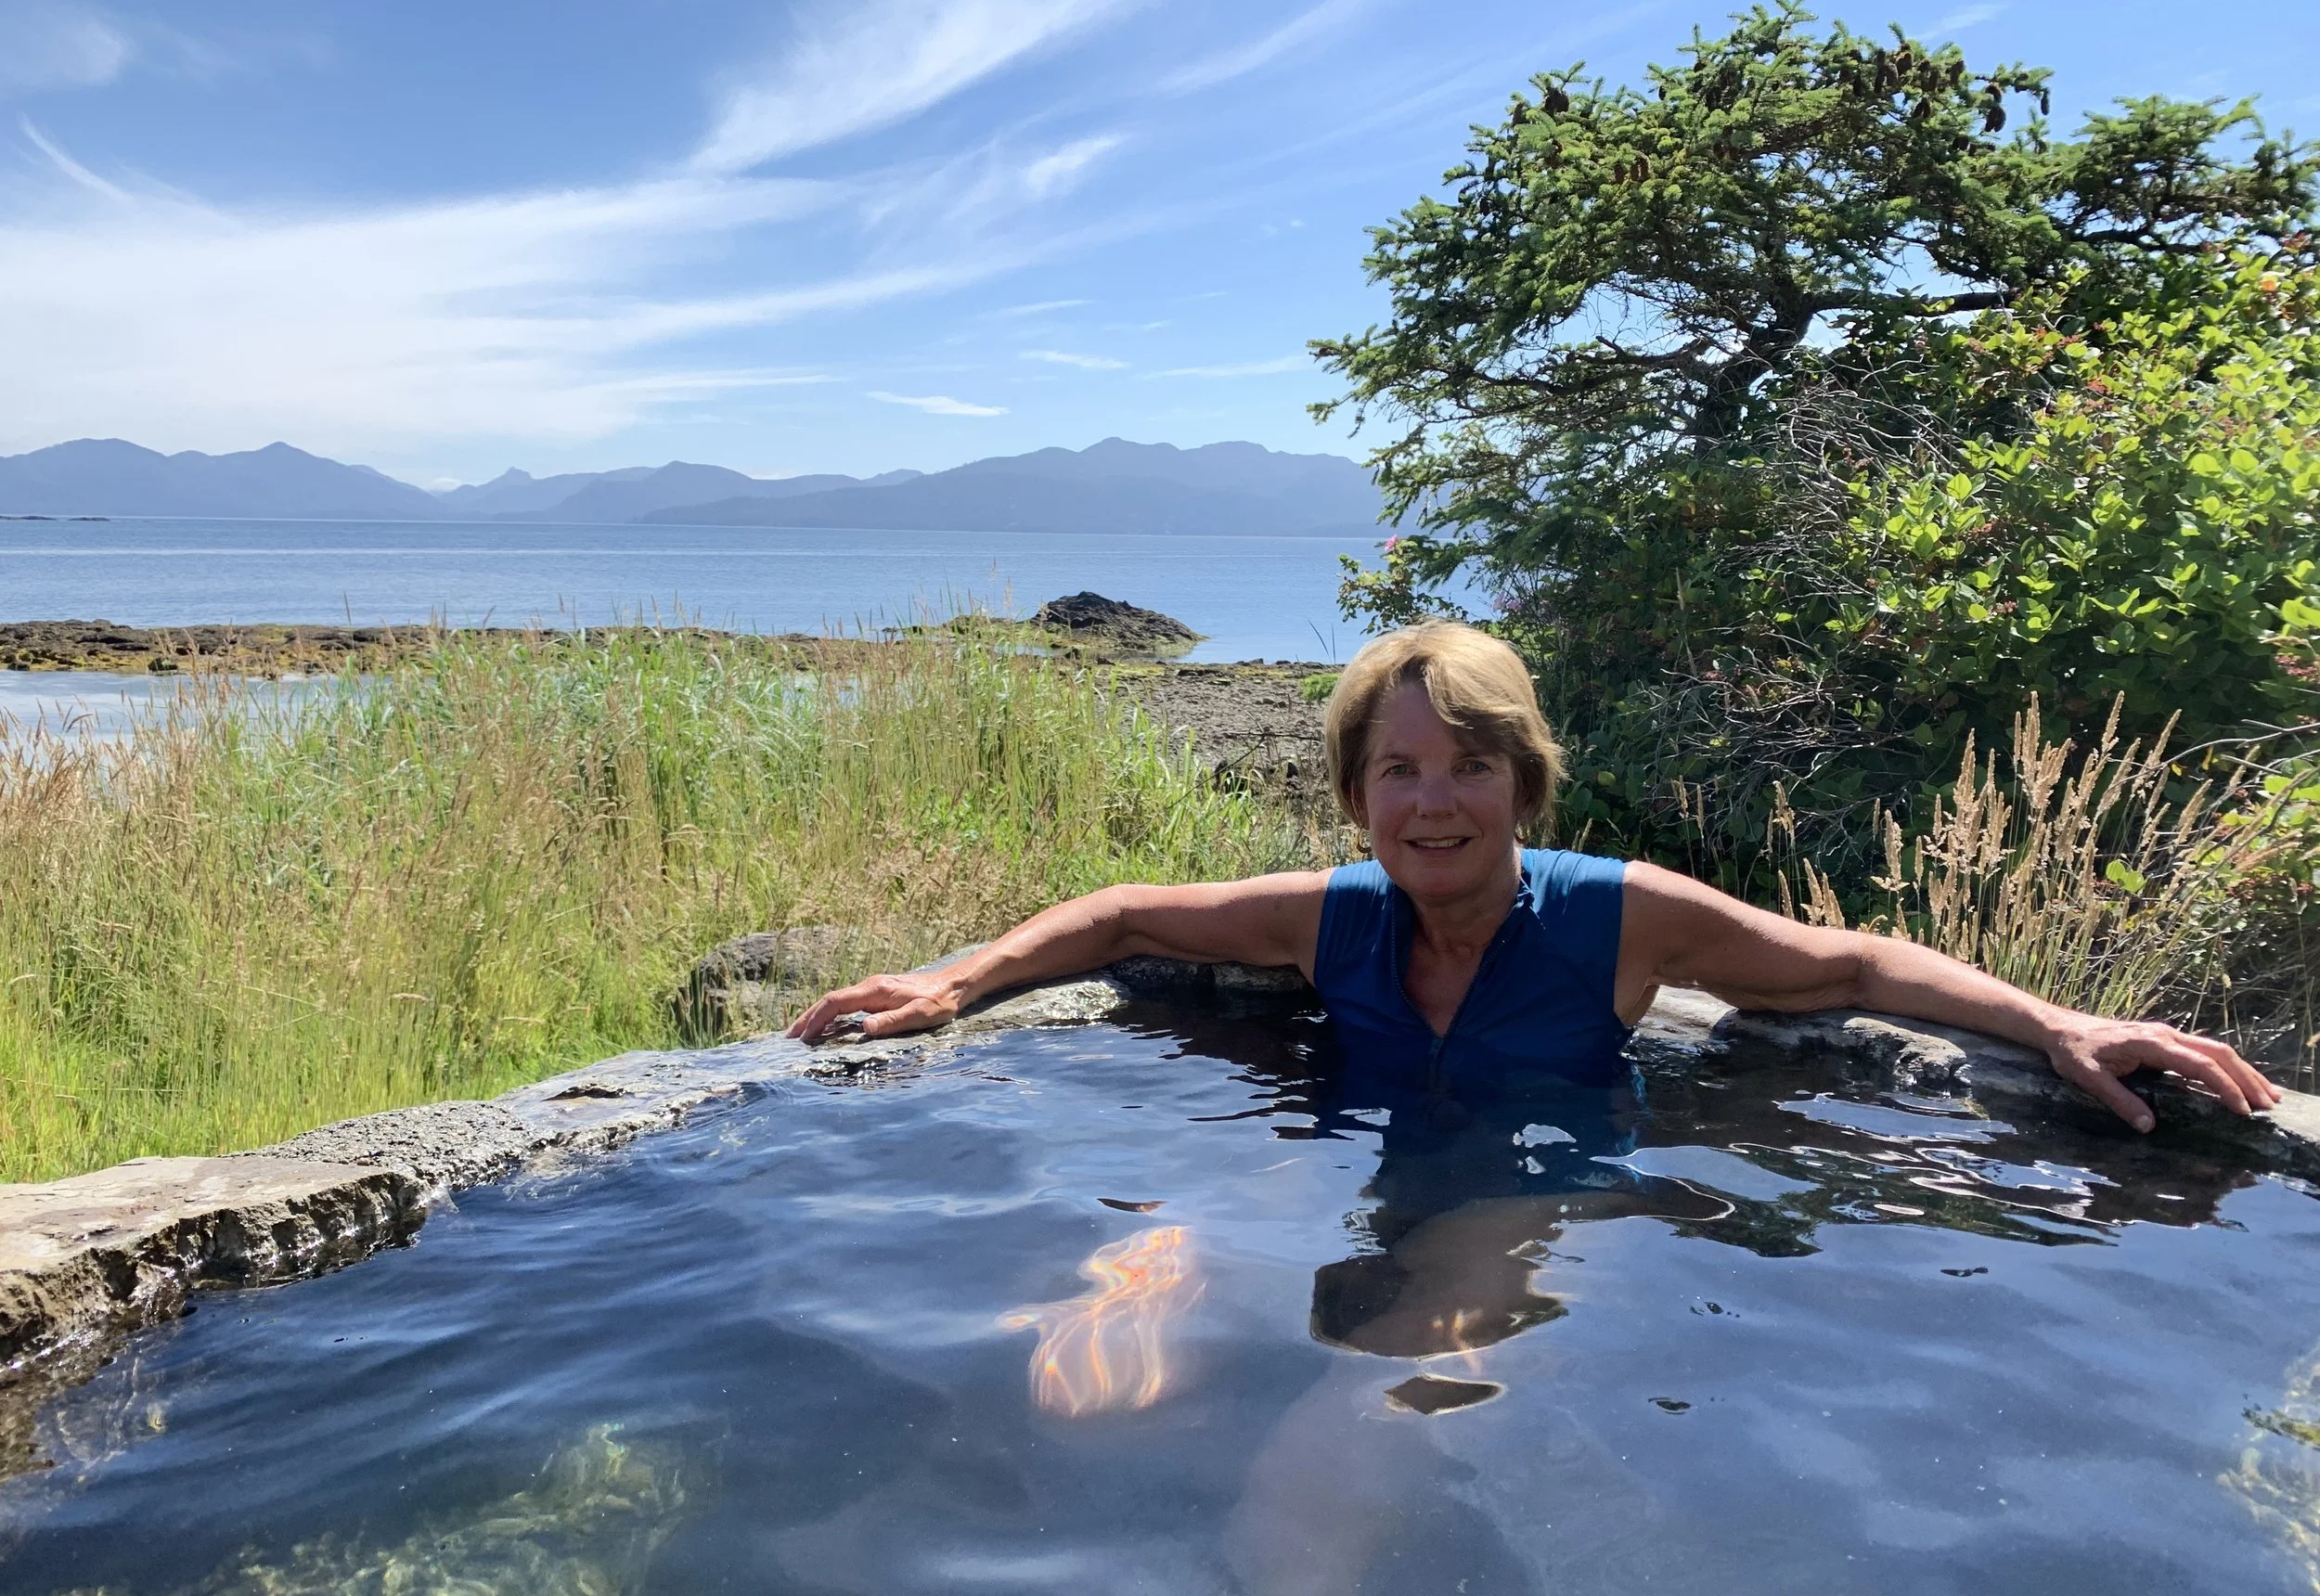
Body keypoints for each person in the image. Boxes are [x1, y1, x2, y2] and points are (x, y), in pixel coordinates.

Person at [788, 619, 2280, 1134]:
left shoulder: (1617, 915)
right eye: (1399, 770)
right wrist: (956, 977)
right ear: (1357, 795)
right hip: (1353, 1168)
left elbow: (1853, 963)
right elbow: (1118, 914)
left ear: (1525, 780)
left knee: (1405, 1372)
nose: (1435, 801)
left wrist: (2059, 1023)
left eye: (1470, 765)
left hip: (1547, 1190)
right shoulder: (1335, 917)